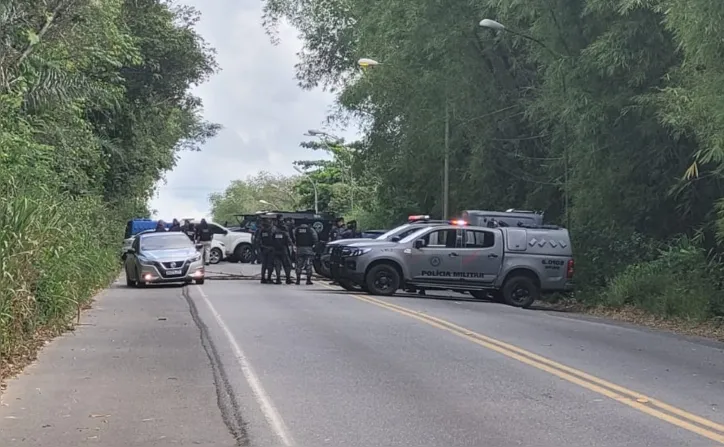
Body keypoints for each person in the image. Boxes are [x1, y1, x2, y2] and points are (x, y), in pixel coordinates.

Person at [272, 216, 293, 284]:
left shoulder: (274, 232)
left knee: (277, 265)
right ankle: (288, 279)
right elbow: (289, 241)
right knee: (287, 265)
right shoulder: (285, 233)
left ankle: (278, 279)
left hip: (275, 250)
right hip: (284, 250)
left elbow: (271, 240)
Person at [255, 218, 274, 283]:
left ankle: (263, 278)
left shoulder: (261, 231)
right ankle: (268, 278)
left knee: (264, 265)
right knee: (270, 265)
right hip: (270, 249)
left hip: (263, 249)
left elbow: (258, 241)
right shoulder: (272, 231)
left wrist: (260, 248)